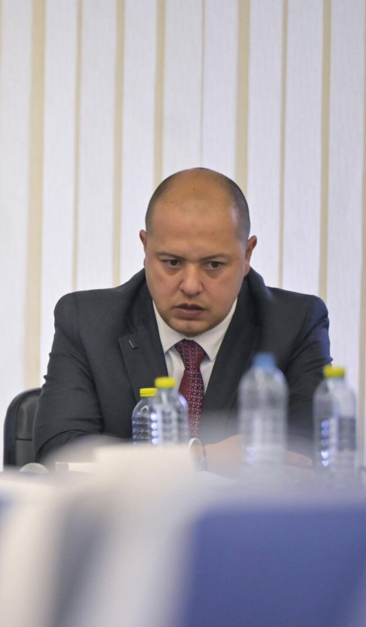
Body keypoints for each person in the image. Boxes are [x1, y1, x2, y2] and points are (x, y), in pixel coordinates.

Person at [33, 167, 330, 472]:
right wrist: (197, 458)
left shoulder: (295, 324)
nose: (190, 285)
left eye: (213, 265)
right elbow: (61, 455)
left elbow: (307, 457)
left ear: (247, 255)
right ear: (145, 248)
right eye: (172, 262)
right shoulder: (87, 322)